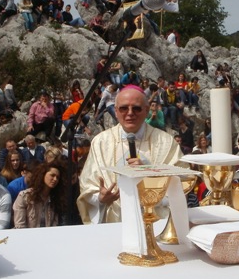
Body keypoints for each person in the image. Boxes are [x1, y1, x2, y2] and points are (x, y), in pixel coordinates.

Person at [77, 86, 184, 224]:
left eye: (137, 108)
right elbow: (88, 185)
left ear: (146, 111)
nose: (130, 113)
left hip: (155, 222)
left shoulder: (165, 142)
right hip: (113, 221)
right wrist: (100, 198)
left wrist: (149, 174)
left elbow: (181, 182)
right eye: (123, 108)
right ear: (115, 111)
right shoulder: (101, 142)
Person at [13, 162, 67, 228]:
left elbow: (55, 226)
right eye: (52, 175)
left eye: (57, 177)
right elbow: (20, 225)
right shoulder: (24, 196)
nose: (55, 179)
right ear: (43, 175)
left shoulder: (56, 200)